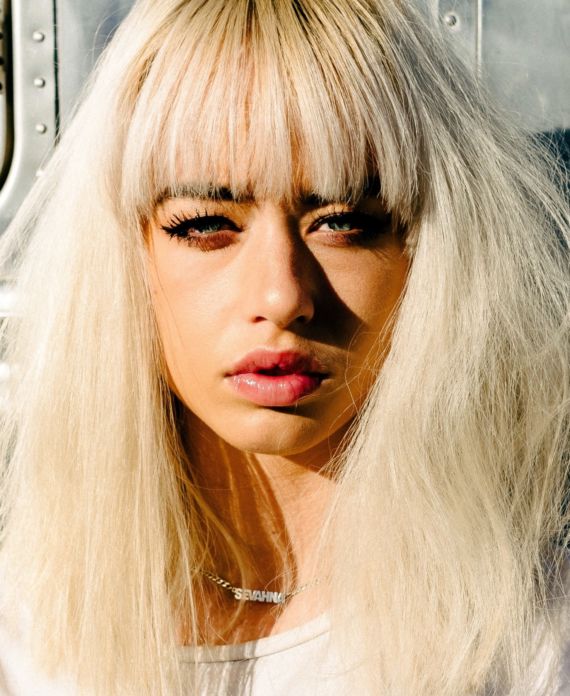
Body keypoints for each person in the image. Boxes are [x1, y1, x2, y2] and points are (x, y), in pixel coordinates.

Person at [0, 0, 568, 693]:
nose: (282, 295)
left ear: (426, 251)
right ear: (126, 255)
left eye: (343, 221)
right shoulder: (27, 632)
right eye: (206, 224)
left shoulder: (529, 635)